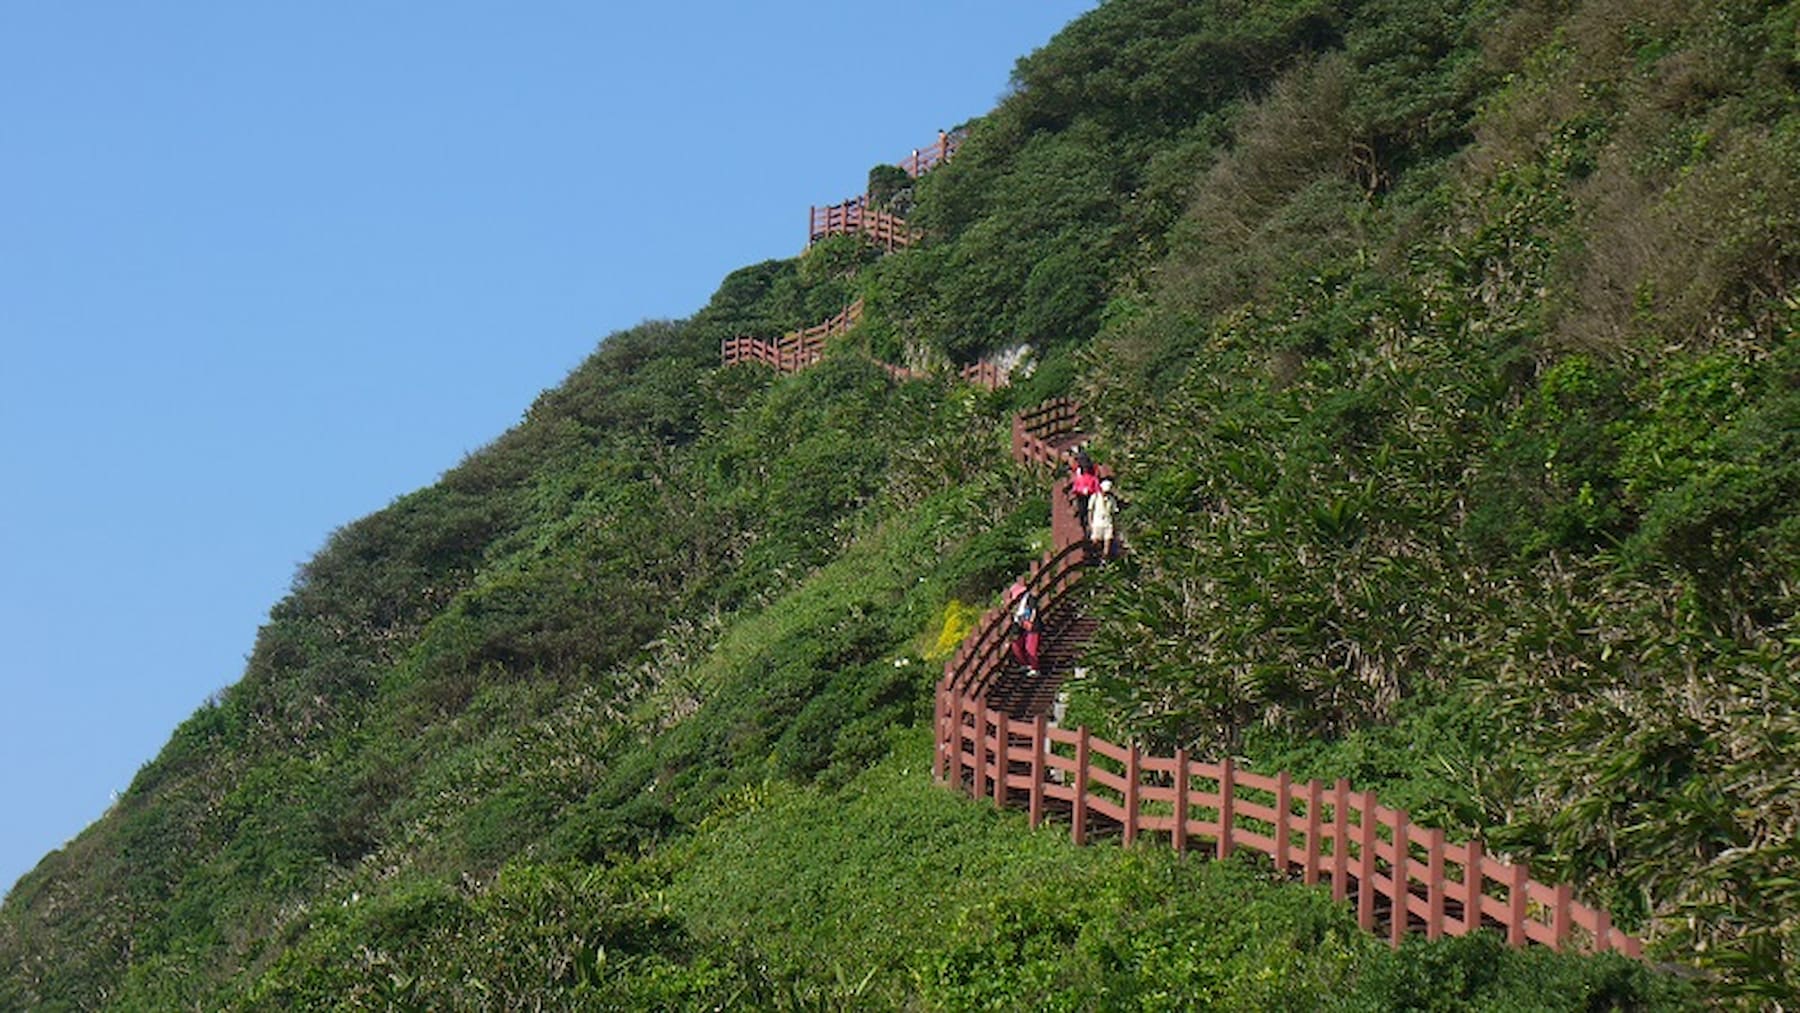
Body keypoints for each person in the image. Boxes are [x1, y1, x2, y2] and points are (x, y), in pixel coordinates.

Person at [1008, 582, 1041, 676]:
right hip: (1021, 626)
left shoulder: (1030, 598)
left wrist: (1030, 621)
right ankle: (1025, 663)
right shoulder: (1018, 604)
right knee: (1016, 645)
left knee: (1030, 649)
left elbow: (1033, 611)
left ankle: (1035, 668)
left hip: (1032, 626)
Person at [1088, 477, 1119, 560]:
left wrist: (1115, 526)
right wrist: (1090, 523)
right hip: (1097, 523)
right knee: (1095, 542)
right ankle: (1096, 555)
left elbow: (1113, 513)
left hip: (1108, 523)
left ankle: (1104, 560)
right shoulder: (1095, 497)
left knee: (1107, 543)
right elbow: (1090, 511)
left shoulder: (1111, 500)